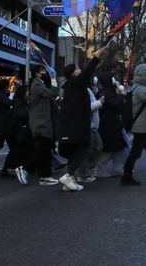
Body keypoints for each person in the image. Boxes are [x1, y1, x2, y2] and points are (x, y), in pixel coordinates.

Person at [56, 45, 107, 192]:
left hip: (72, 124)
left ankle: (69, 180)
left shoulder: (71, 86)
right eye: (77, 69)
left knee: (75, 150)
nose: (80, 71)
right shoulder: (76, 84)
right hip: (77, 124)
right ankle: (69, 175)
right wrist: (96, 57)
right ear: (72, 74)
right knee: (84, 149)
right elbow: (88, 72)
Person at [16, 66, 60, 186]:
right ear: (37, 74)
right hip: (40, 122)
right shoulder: (36, 86)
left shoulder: (40, 84)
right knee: (42, 148)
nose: (45, 73)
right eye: (43, 71)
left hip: (43, 121)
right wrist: (54, 78)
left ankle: (45, 176)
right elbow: (54, 92)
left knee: (45, 150)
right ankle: (24, 169)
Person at [94, 73, 126, 177]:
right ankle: (100, 170)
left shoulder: (106, 92)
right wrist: (121, 95)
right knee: (109, 149)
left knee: (118, 148)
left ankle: (118, 168)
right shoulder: (106, 93)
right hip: (109, 124)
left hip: (112, 123)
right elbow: (114, 104)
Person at [1, 85, 32, 178]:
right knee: (15, 150)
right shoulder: (20, 103)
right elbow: (23, 116)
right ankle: (7, 170)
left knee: (16, 150)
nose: (28, 93)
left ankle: (13, 169)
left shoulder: (20, 102)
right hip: (14, 131)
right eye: (27, 91)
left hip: (14, 131)